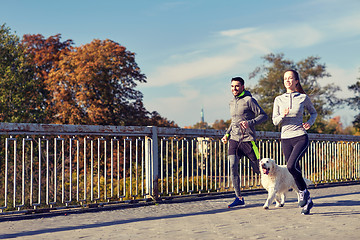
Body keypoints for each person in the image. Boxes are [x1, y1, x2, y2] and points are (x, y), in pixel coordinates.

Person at [272, 69, 317, 215]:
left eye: (291, 78)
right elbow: (274, 121)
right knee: (293, 168)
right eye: (285, 78)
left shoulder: (303, 97)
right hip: (285, 138)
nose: (288, 80)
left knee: (290, 166)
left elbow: (313, 112)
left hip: (300, 136)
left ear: (296, 81)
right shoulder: (278, 99)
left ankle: (303, 192)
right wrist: (282, 115)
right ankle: (307, 201)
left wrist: (310, 122)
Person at [222, 76, 268, 208]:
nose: (234, 88)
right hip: (234, 140)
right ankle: (239, 197)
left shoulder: (249, 100)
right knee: (232, 166)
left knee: (259, 169)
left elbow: (263, 115)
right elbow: (234, 121)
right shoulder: (231, 102)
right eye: (232, 86)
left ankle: (275, 191)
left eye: (237, 86)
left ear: (242, 87)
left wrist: (250, 123)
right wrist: (227, 134)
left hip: (248, 140)